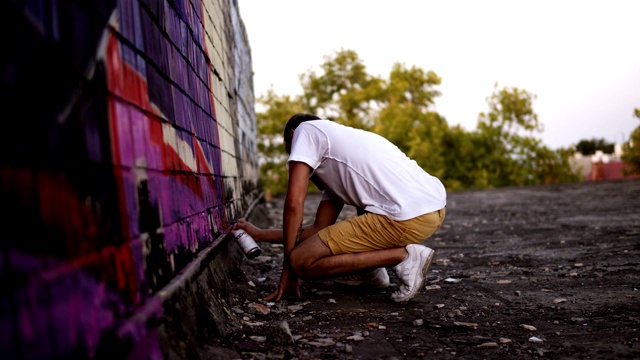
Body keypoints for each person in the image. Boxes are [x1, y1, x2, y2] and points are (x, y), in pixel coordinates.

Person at [235, 113, 447, 302]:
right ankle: (370, 272)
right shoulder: (338, 163)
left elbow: (294, 205)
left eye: (289, 151)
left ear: (292, 135)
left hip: (405, 216)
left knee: (300, 262)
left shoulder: (304, 131)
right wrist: (261, 234)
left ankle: (404, 257)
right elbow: (317, 230)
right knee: (314, 248)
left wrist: (288, 270)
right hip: (433, 209)